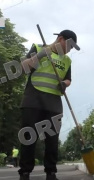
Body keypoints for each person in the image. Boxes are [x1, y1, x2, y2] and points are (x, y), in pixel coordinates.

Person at [18, 30, 80, 180]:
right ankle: (25, 173)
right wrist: (39, 56)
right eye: (70, 46)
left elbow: (68, 79)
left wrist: (64, 84)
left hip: (53, 103)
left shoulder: (67, 61)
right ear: (60, 39)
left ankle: (51, 173)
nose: (70, 50)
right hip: (33, 99)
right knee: (29, 137)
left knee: (52, 140)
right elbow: (23, 68)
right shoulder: (38, 48)